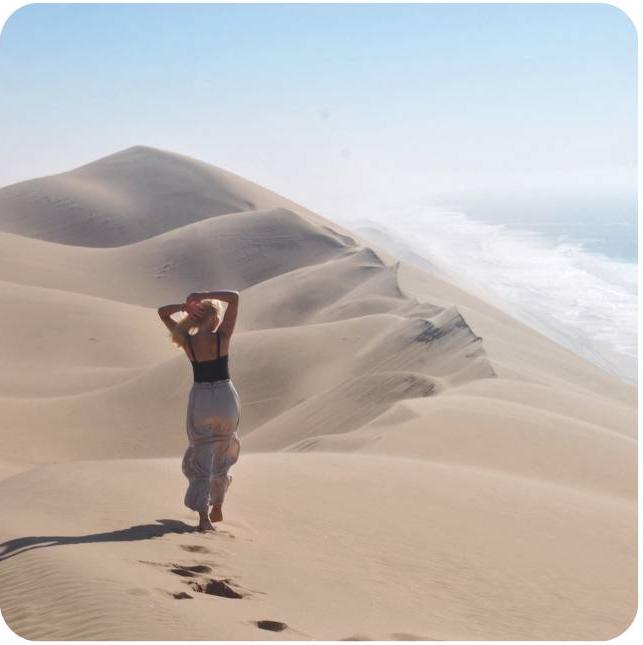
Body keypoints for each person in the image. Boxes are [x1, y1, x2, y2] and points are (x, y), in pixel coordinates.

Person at [157, 290, 241, 532]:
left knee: (202, 455)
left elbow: (162, 313)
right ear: (215, 319)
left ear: (196, 317)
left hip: (201, 398)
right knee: (224, 450)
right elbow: (234, 297)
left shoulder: (188, 341)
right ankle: (218, 504)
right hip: (225, 397)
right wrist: (205, 295)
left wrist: (184, 306)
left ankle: (204, 518)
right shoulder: (222, 337)